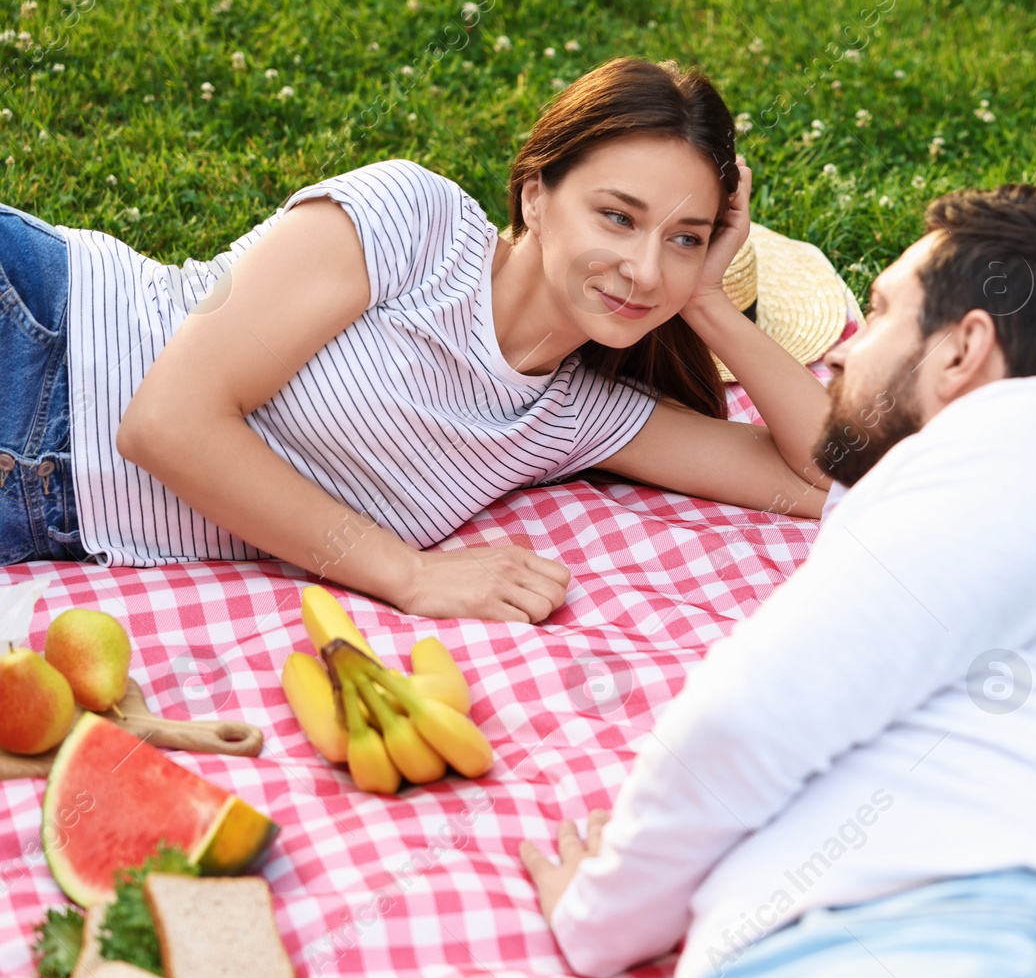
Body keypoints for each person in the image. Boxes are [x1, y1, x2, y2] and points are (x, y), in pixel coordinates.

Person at [521, 183, 1036, 978]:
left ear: (964, 350)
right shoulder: (1021, 486)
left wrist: (601, 911)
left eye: (883, 309)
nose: (843, 352)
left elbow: (758, 710)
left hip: (974, 949)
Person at [0, 58, 847, 622]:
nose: (642, 268)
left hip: (41, 509)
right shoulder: (415, 222)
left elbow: (830, 480)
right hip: (40, 336)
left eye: (685, 236)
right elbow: (166, 423)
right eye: (617, 216)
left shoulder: (582, 413)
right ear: (535, 197)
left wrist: (707, 303)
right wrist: (407, 574)